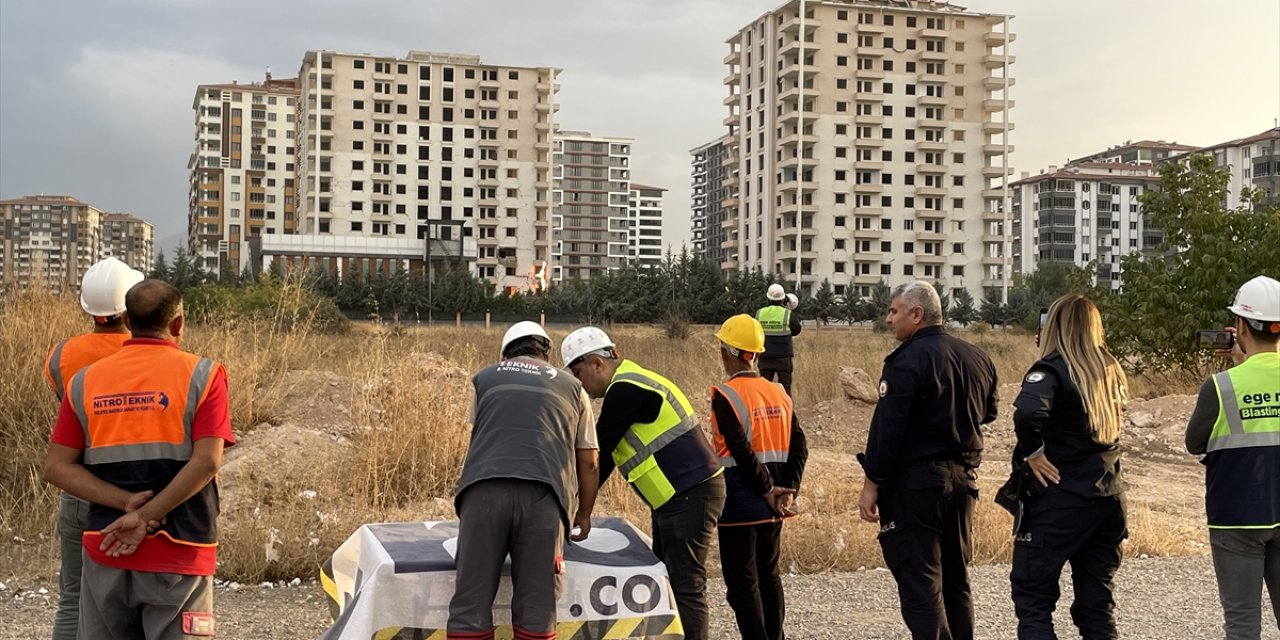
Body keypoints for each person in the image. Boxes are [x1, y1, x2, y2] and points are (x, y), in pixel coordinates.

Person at [43, 279, 234, 640]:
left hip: (105, 548)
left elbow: (57, 467)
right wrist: (145, 515)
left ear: (127, 320)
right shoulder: (204, 375)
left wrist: (125, 503)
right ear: (177, 324)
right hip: (181, 550)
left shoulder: (84, 381)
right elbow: (207, 462)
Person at [560, 327, 725, 640]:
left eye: (578, 373)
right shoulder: (632, 381)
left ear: (598, 364)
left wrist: (581, 510)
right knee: (668, 576)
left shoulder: (626, 389)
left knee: (685, 585)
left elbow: (600, 455)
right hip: (678, 496)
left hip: (690, 494)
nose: (579, 384)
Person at [856, 280, 998, 640]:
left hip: (918, 487)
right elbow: (989, 412)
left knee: (921, 586)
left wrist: (871, 482)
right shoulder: (977, 357)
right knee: (956, 582)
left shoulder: (905, 362)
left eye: (893, 310)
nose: (889, 319)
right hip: (963, 484)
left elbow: (888, 432)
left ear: (916, 314)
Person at [448, 321, 600, 640]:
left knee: (470, 604)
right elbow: (589, 461)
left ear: (506, 354)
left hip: (484, 493)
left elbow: (480, 435)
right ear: (546, 354)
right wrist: (583, 513)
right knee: (537, 608)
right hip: (544, 500)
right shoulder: (573, 388)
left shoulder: (485, 379)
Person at [1005, 294, 1129, 639]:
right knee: (1096, 608)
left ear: (1054, 327)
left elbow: (1028, 413)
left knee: (1034, 602)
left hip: (1060, 500)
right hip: (1108, 499)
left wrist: (1033, 453)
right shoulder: (1110, 370)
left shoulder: (1051, 370)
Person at [43, 257, 143, 640]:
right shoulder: (146, 354)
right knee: (133, 601)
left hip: (78, 489)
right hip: (131, 493)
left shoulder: (59, 356)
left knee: (73, 597)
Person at [1186, 275, 1280, 640]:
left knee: (1242, 625)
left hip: (1237, 516)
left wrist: (1239, 369)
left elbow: (1195, 442)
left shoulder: (1221, 386)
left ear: (1239, 326)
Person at [710, 314, 809, 640]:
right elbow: (800, 447)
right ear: (756, 354)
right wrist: (787, 490)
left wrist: (767, 489)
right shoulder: (779, 392)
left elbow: (741, 450)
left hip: (739, 504)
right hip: (774, 505)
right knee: (769, 575)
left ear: (727, 353)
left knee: (742, 584)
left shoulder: (725, 396)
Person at [756, 283, 802, 396]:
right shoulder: (787, 314)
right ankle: (787, 413)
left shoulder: (759, 313)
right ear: (783, 298)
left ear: (768, 297)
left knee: (764, 391)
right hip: (783, 358)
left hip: (765, 357)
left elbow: (755, 330)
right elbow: (797, 330)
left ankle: (764, 412)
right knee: (785, 391)